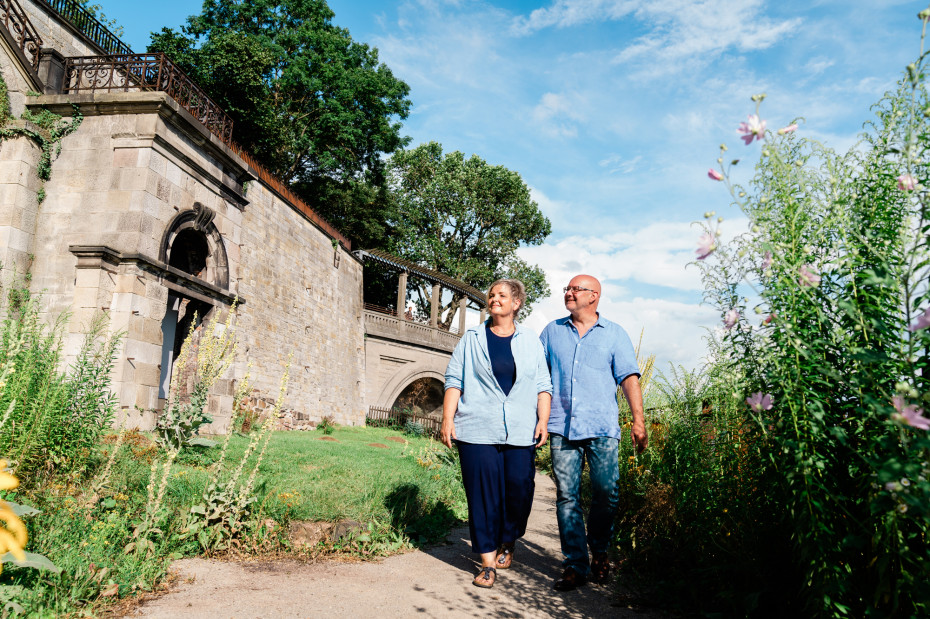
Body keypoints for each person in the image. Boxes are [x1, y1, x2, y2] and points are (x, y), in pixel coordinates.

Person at [441, 279, 552, 589]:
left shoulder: (531, 341)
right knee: (482, 493)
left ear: (516, 303)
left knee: (520, 488)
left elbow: (544, 385)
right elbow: (454, 379)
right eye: (491, 295)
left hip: (520, 429)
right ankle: (487, 563)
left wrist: (542, 419)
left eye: (502, 295)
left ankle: (508, 539)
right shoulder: (472, 338)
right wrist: (447, 418)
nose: (494, 299)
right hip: (477, 427)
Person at [540, 274, 648, 592]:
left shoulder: (615, 334)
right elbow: (538, 379)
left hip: (602, 427)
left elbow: (629, 378)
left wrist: (638, 421)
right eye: (567, 289)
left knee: (606, 493)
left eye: (576, 289)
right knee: (567, 497)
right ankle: (576, 564)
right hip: (561, 426)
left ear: (594, 295)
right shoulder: (551, 332)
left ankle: (599, 550)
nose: (569, 293)